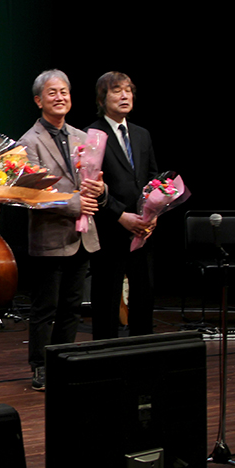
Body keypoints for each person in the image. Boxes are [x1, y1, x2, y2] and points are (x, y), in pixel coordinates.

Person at [19, 70, 104, 390]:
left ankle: (64, 360)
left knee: (72, 306)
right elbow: (33, 194)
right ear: (38, 100)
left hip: (83, 235)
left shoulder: (84, 137)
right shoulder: (29, 142)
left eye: (64, 91)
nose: (60, 97)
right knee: (46, 307)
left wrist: (101, 190)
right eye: (52, 92)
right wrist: (74, 204)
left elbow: (95, 181)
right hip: (50, 236)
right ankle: (40, 365)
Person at [86, 72, 158, 339]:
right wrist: (121, 216)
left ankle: (142, 353)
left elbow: (153, 177)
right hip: (110, 230)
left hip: (143, 231)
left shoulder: (141, 134)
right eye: (117, 91)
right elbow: (90, 185)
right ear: (101, 99)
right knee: (106, 302)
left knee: (144, 298)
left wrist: (154, 213)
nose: (125, 96)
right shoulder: (92, 135)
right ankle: (105, 356)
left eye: (128, 90)